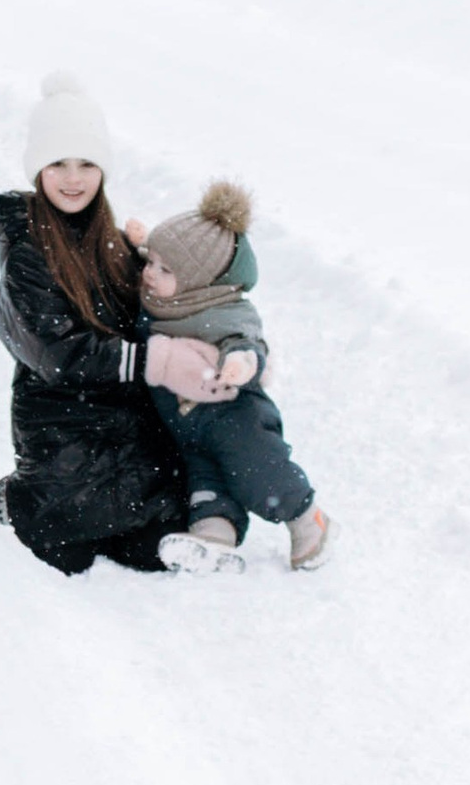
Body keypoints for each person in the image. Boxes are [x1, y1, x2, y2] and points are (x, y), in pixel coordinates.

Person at [0, 70, 220, 574]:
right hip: (62, 423)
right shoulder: (26, 250)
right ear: (38, 169)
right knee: (66, 547)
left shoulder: (113, 241)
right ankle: (18, 497)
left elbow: (157, 313)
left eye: (87, 164)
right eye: (58, 163)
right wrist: (156, 362)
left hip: (127, 423)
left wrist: (158, 269)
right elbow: (58, 354)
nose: (73, 179)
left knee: (152, 547)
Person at [132, 181, 333, 569]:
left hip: (235, 418)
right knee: (205, 482)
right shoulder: (164, 298)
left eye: (164, 269)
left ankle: (309, 521)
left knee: (260, 476)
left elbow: (246, 341)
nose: (150, 274)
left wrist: (242, 362)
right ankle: (213, 538)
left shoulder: (222, 312)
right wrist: (139, 245)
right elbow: (160, 258)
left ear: (199, 282)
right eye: (150, 263)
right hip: (188, 423)